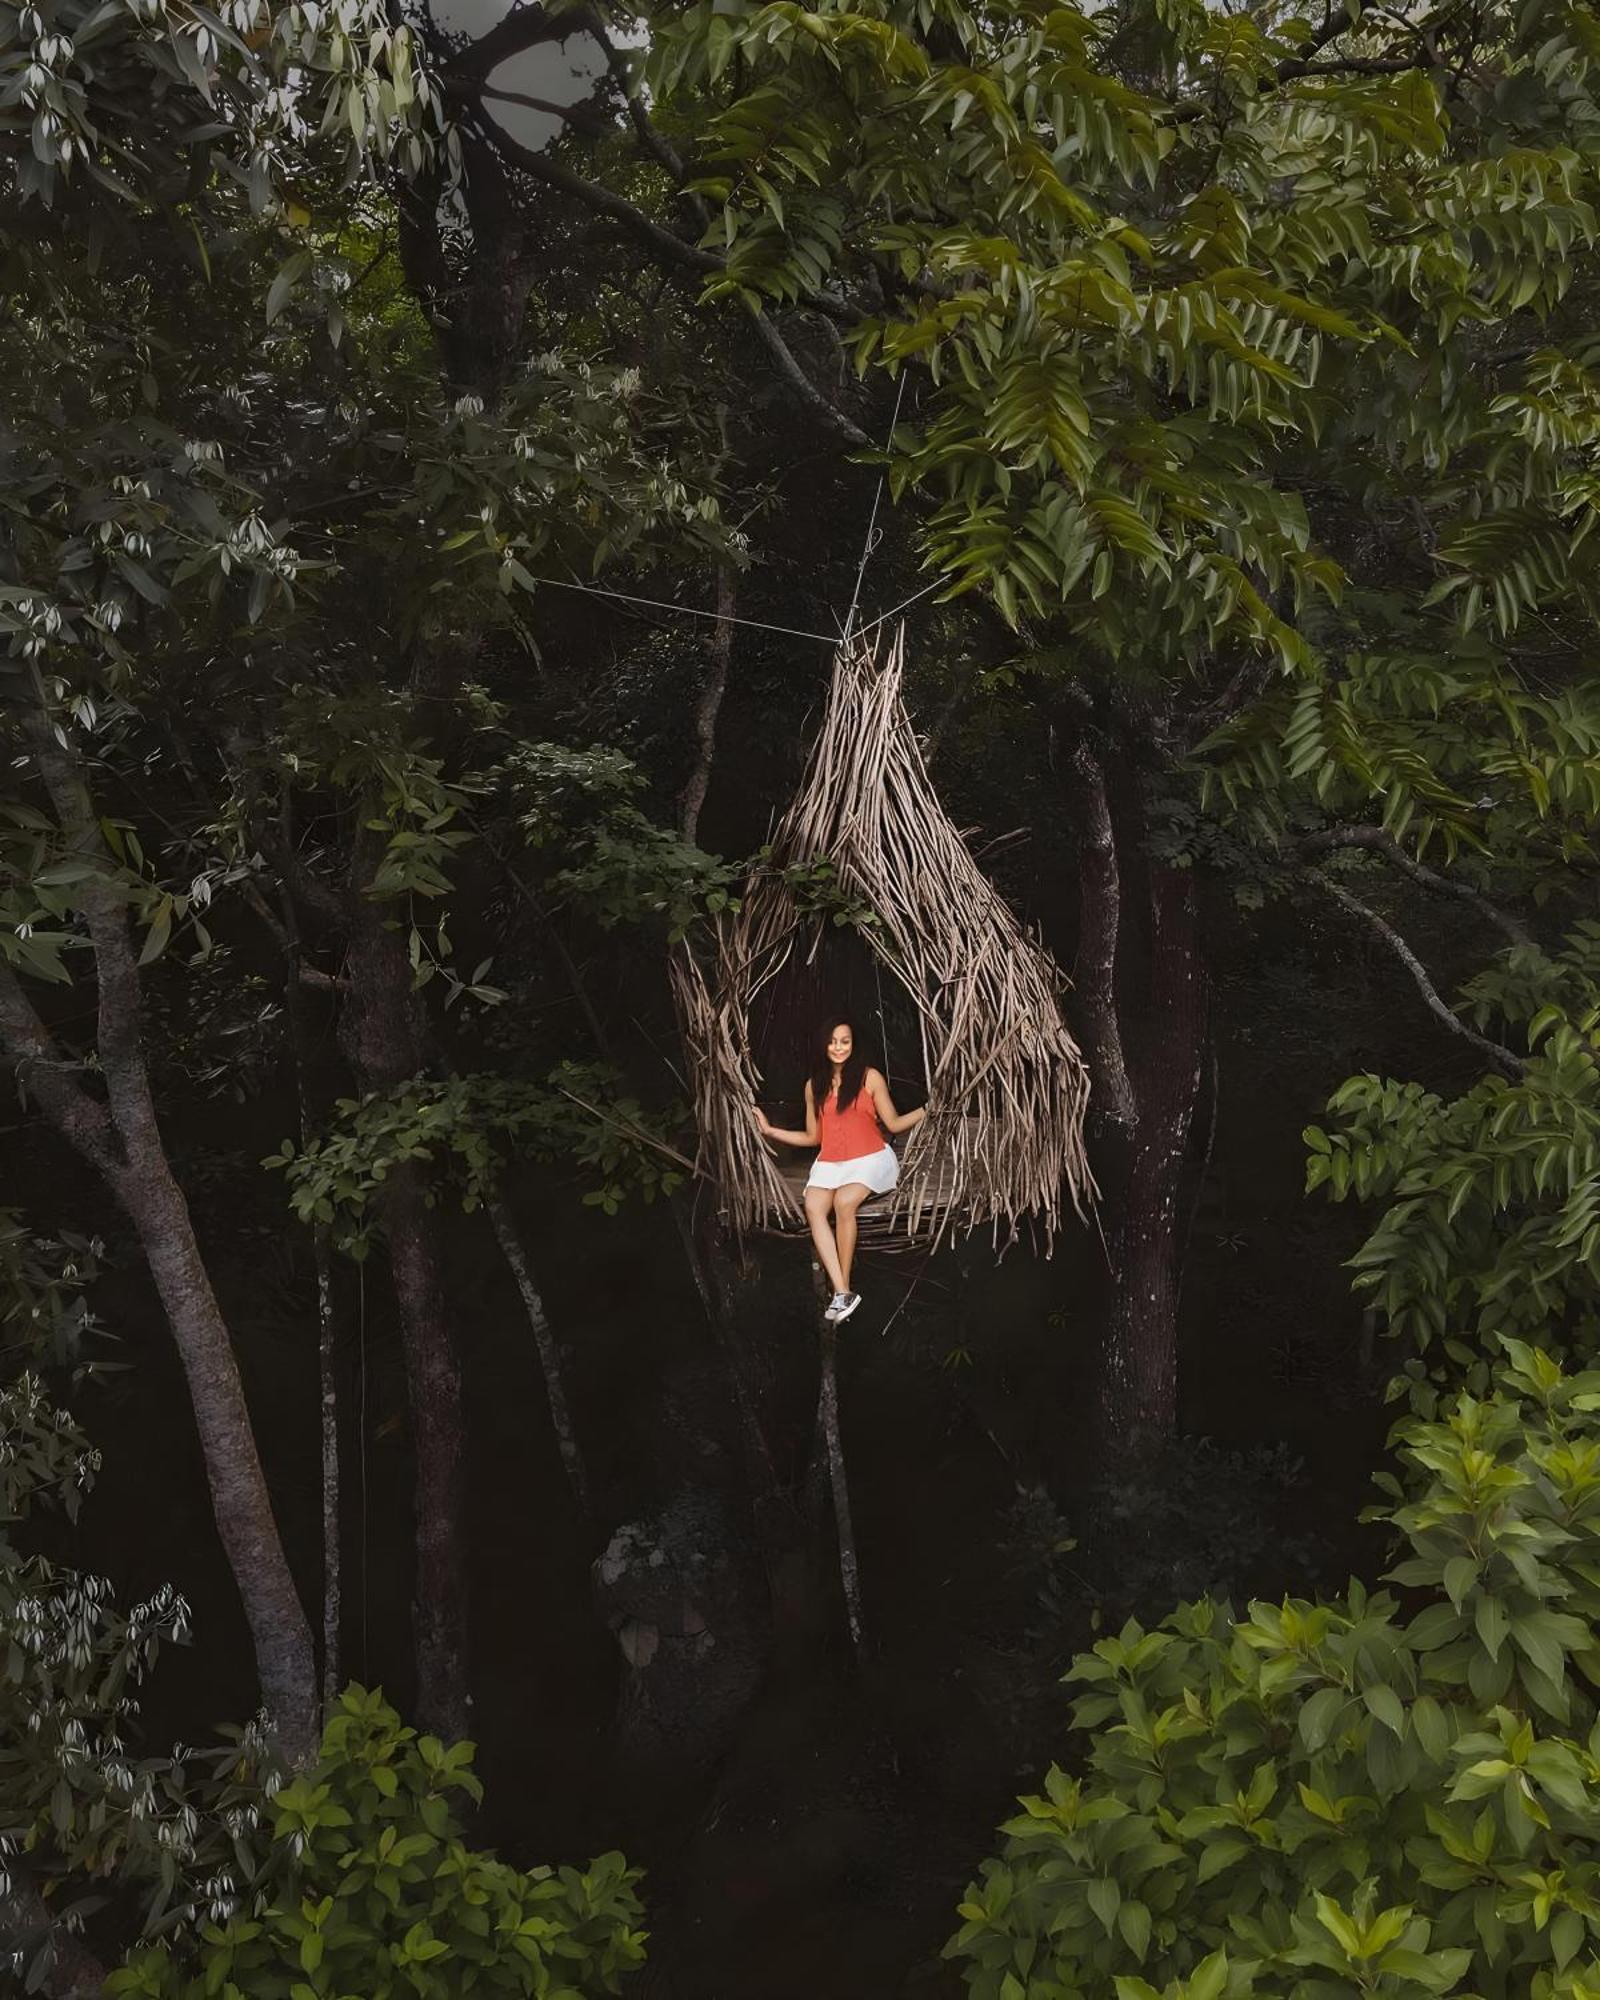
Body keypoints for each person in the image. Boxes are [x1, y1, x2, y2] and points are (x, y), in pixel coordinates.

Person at [754, 1019, 926, 1323]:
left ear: (853, 1044)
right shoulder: (814, 1086)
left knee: (843, 1203)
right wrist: (769, 1130)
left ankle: (841, 1292)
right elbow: (813, 1138)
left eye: (845, 1041)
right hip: (831, 1161)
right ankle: (843, 1291)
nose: (838, 1047)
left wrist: (929, 1109)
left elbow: (894, 1124)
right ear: (824, 1045)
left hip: (871, 1158)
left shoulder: (869, 1078)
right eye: (833, 1041)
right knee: (814, 1206)